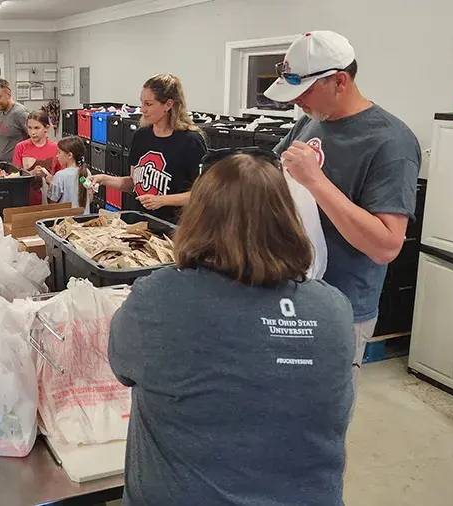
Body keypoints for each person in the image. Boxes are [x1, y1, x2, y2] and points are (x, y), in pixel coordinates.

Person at [109, 149, 355, 506]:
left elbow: (121, 365)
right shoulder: (333, 309)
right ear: (288, 219)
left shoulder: (160, 297)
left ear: (197, 218)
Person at [266, 30, 420, 383]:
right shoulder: (310, 121)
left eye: (304, 91)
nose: (296, 102)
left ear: (339, 81)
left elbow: (386, 245)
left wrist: (316, 181)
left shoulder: (390, 141)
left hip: (342, 307)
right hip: (288, 289)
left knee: (321, 415)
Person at [90, 74, 206, 224]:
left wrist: (162, 200)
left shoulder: (191, 141)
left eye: (149, 104)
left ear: (168, 105)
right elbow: (133, 183)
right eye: (142, 103)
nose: (142, 109)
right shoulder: (141, 136)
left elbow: (201, 194)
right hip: (140, 223)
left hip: (173, 228)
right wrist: (103, 179)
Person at [13, 110, 63, 206]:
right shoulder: (21, 147)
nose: (33, 132)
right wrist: (31, 174)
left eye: (37, 128)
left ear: (46, 128)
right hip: (25, 200)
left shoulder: (56, 148)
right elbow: (15, 175)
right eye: (30, 128)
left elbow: (61, 176)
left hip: (49, 201)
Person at [40, 135, 92, 213]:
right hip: (83, 220)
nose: (57, 156)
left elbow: (52, 202)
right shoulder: (87, 172)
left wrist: (50, 183)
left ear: (69, 155)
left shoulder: (60, 175)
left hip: (65, 222)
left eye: (59, 152)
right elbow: (90, 198)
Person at [0, 78, 29, 163]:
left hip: (17, 166)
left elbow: (36, 138)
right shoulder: (0, 113)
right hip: (2, 165)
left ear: (9, 95)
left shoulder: (20, 113)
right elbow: (3, 136)